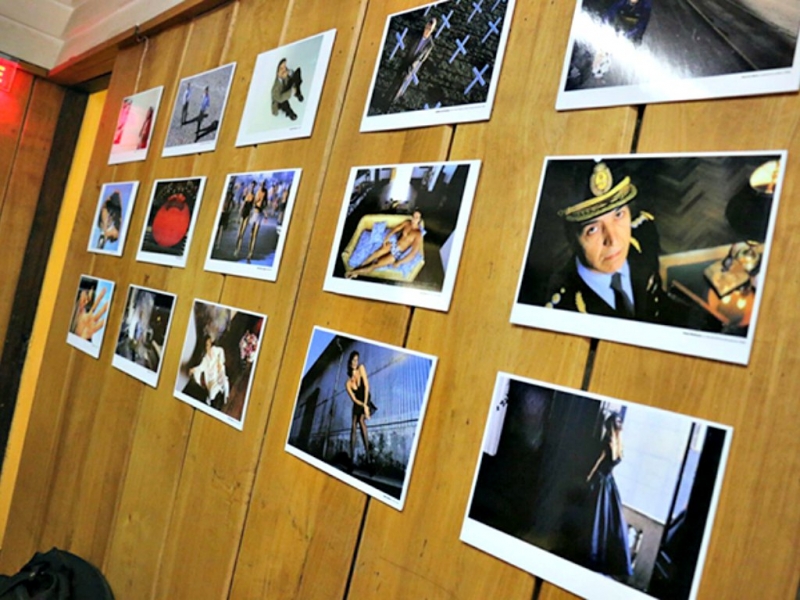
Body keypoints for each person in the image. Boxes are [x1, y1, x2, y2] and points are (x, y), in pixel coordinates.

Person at [544, 162, 672, 322]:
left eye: (618, 215)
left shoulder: (644, 234)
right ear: (571, 239)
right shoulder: (563, 308)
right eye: (592, 229)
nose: (613, 240)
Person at [585, 413, 633, 579]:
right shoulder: (619, 447)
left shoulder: (607, 443)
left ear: (609, 428)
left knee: (595, 519)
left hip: (600, 481)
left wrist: (588, 478)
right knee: (607, 521)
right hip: (610, 482)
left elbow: (597, 464)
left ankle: (591, 555)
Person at [345, 210, 424, 279]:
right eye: (414, 216)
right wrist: (387, 237)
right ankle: (358, 268)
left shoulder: (418, 234)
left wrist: (399, 262)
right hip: (394, 245)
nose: (414, 219)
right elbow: (396, 229)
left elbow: (413, 253)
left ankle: (353, 272)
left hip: (397, 254)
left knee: (375, 264)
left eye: (417, 217)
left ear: (419, 219)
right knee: (375, 254)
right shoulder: (407, 223)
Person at [389, 17, 437, 104]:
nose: (427, 30)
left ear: (432, 30)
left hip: (414, 64)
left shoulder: (430, 44)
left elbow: (423, 58)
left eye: (429, 29)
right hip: (407, 59)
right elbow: (409, 45)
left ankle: (394, 99)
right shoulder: (417, 35)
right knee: (398, 75)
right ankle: (388, 93)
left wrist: (414, 65)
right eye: (427, 27)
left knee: (404, 80)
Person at [345, 351, 374, 465]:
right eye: (353, 360)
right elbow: (354, 399)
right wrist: (362, 405)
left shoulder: (361, 368)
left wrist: (366, 405)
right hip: (357, 402)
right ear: (350, 362)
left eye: (356, 360)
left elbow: (366, 386)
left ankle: (368, 457)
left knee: (362, 421)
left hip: (365, 397)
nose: (355, 362)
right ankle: (351, 460)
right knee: (353, 427)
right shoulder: (347, 383)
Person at [188, 335, 230, 407]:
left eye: (209, 344)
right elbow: (201, 367)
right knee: (211, 393)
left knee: (225, 383)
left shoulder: (215, 350)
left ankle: (226, 396)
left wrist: (220, 362)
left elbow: (221, 351)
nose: (208, 347)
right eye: (206, 345)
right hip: (211, 378)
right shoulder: (205, 359)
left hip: (218, 372)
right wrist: (193, 370)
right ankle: (211, 398)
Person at [234, 180, 257, 257]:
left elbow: (252, 206)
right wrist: (239, 213)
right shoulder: (246, 192)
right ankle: (236, 247)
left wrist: (251, 214)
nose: (252, 187)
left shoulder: (253, 195)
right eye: (251, 185)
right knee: (239, 232)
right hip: (243, 211)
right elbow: (242, 203)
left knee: (242, 233)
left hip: (247, 213)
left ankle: (238, 250)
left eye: (253, 185)